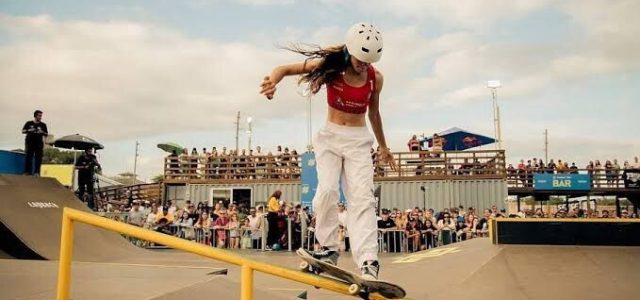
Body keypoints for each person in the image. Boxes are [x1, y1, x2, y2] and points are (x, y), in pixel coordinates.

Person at [260, 23, 396, 280]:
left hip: (358, 141)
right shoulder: (330, 66)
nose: (363, 66)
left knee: (363, 199)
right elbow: (284, 69)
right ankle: (329, 248)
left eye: (368, 62)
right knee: (327, 191)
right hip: (330, 137)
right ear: (351, 50)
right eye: (360, 60)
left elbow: (374, 113)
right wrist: (272, 82)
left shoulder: (375, 78)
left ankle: (368, 261)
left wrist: (384, 146)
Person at [22, 110, 48, 176]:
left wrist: (42, 132)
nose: (40, 117)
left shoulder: (43, 125)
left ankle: (37, 172)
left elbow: (46, 134)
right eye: (39, 115)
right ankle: (27, 172)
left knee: (38, 158)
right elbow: (23, 131)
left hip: (38, 144)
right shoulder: (29, 123)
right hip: (29, 143)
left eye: (41, 116)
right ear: (35, 116)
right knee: (28, 157)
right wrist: (29, 130)